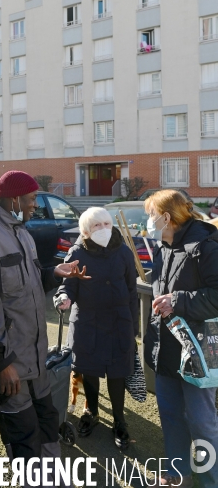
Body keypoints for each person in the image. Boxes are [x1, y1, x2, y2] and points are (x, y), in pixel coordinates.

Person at [0, 170, 86, 486]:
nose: (33, 207)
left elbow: (25, 283)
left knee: (47, 421)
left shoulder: (21, 231)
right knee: (23, 437)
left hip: (34, 359)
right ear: (13, 199)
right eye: (29, 201)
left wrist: (54, 272)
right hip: (8, 365)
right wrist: (1, 364)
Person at [143, 189, 218, 488]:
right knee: (171, 416)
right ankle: (178, 475)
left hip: (199, 351)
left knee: (202, 422)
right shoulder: (163, 245)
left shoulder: (206, 245)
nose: (148, 221)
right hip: (167, 349)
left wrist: (178, 300)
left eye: (150, 215)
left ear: (166, 217)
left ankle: (211, 478)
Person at [55, 206, 138, 449]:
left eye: (106, 224)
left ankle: (120, 421)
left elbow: (132, 291)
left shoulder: (123, 251)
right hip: (88, 323)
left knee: (117, 373)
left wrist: (132, 326)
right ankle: (91, 411)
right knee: (89, 371)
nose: (103, 229)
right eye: (96, 226)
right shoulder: (76, 252)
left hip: (119, 321)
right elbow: (67, 285)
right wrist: (63, 298)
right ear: (85, 231)